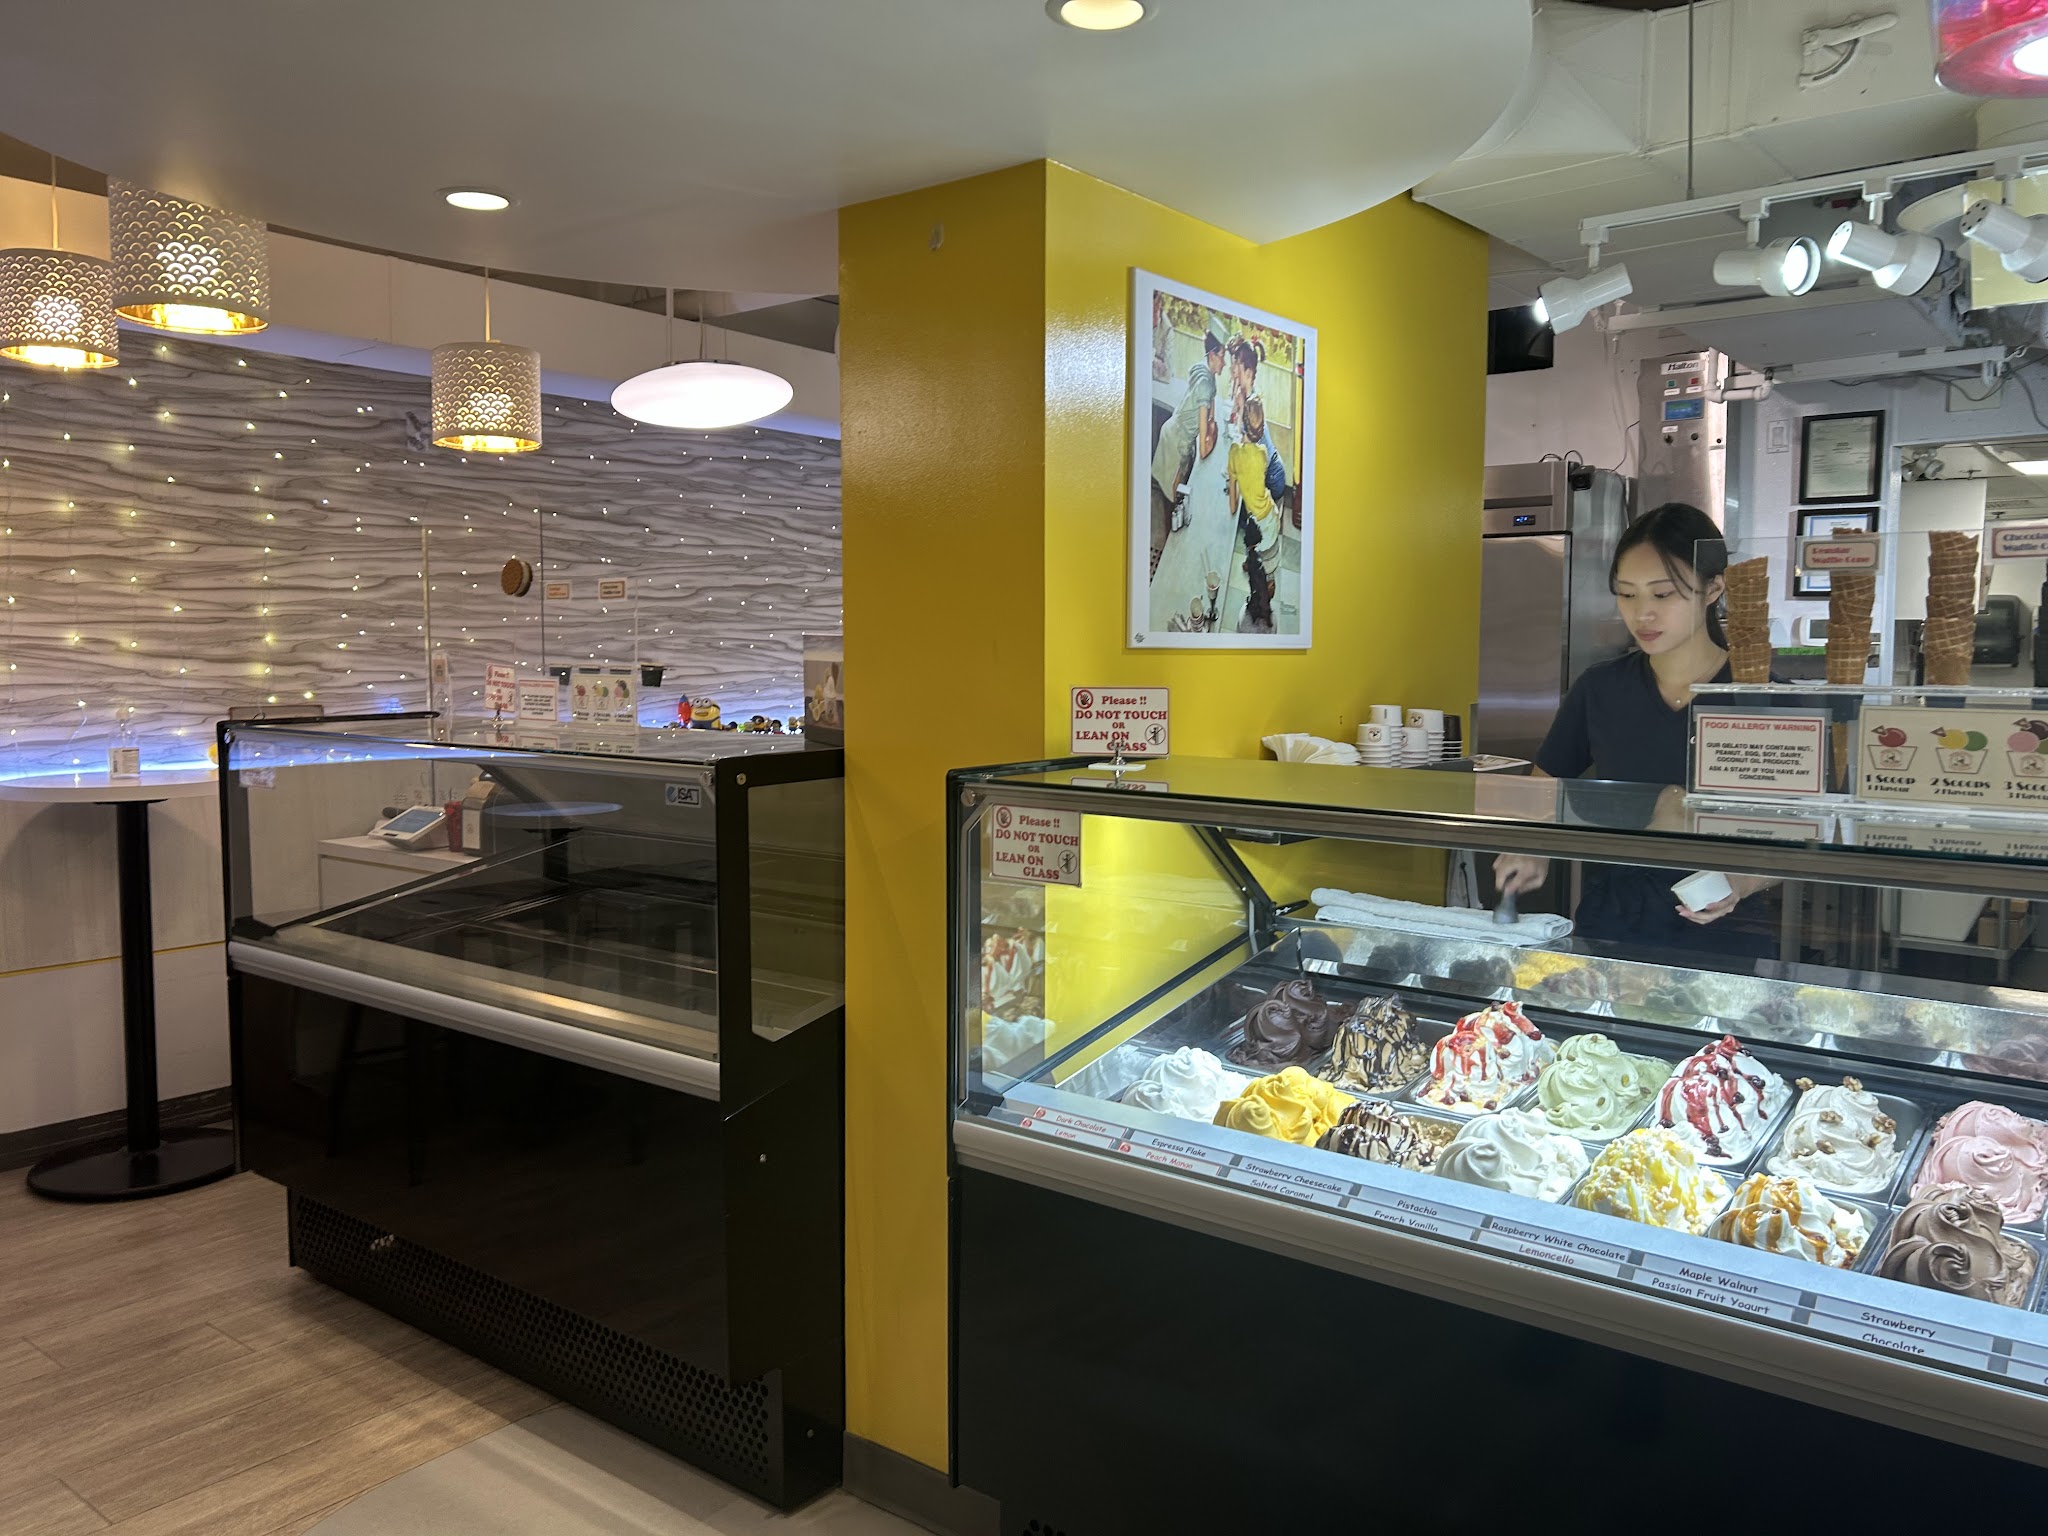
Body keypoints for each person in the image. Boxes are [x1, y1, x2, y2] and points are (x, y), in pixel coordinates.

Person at [1494, 502, 1775, 957]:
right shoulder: (1601, 689)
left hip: (1726, 934)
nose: (1642, 613)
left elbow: (1801, 832)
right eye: (1627, 594)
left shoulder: (1762, 695)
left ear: (1713, 589)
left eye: (1662, 595)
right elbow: (1542, 792)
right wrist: (1533, 846)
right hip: (1612, 923)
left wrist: (1740, 883)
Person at [1150, 330, 1226, 542]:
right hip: (1176, 443)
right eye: (1222, 356)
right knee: (1171, 501)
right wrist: (1212, 435)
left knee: (1173, 499)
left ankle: (1169, 541)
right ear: (1212, 355)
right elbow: (1203, 447)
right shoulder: (1205, 385)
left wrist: (1211, 428)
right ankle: (1167, 546)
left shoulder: (1203, 370)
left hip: (1172, 431)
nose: (1225, 363)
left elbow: (1210, 418)